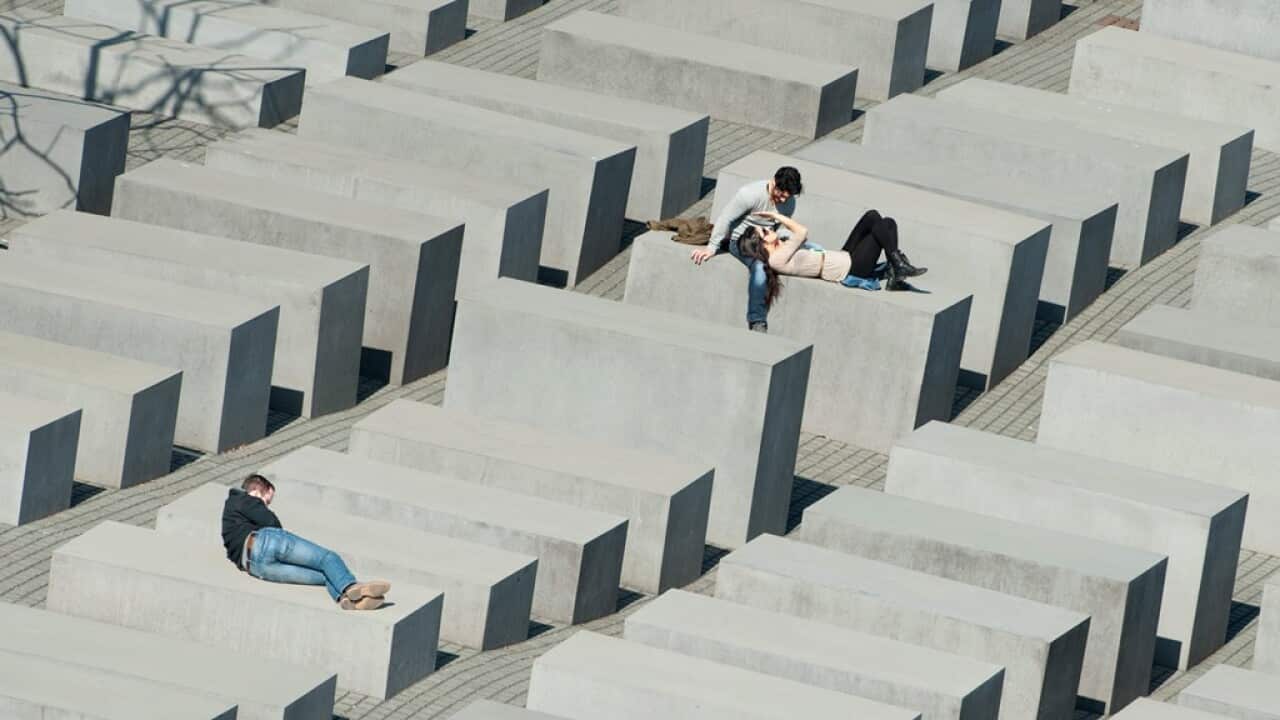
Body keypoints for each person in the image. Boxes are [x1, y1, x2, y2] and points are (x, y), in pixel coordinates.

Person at [221, 474, 390, 610]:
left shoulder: (230, 519)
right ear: (257, 488)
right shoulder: (242, 498)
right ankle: (352, 586)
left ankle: (348, 600)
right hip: (265, 542)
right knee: (328, 558)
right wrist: (261, 504)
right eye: (267, 499)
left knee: (324, 575)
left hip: (257, 568)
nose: (266, 505)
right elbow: (273, 524)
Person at [690, 166, 804, 333]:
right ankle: (757, 320)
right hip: (742, 241)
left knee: (809, 248)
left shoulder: (789, 201)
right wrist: (712, 247)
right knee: (760, 267)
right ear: (773, 182)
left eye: (787, 197)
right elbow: (725, 218)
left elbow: (778, 228)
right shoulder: (749, 194)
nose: (782, 200)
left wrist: (787, 238)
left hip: (767, 240)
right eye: (780, 195)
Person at [741, 209, 926, 306]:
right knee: (886, 224)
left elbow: (794, 236)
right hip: (849, 268)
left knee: (873, 216)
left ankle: (896, 269)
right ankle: (897, 266)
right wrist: (777, 216)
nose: (769, 229)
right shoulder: (775, 260)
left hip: (841, 256)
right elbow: (802, 232)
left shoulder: (780, 246)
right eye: (764, 231)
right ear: (761, 244)